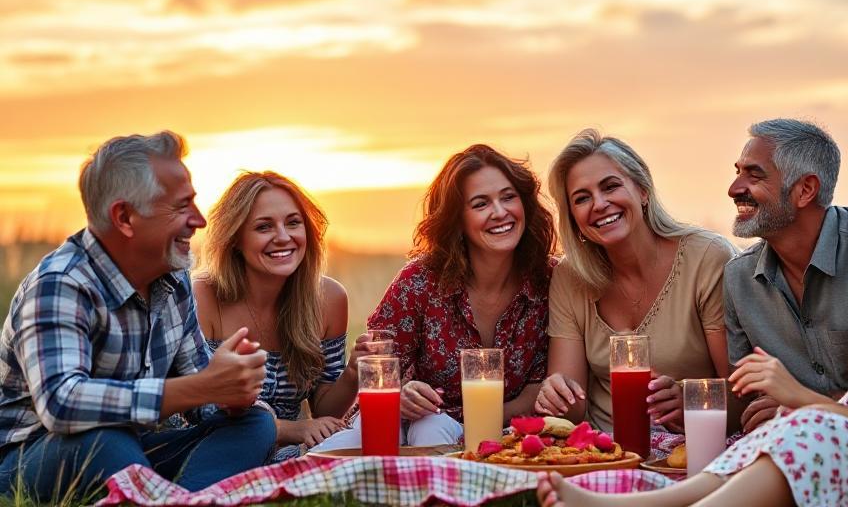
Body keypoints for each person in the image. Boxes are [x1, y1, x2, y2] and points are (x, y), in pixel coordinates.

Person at [538, 178, 848, 506]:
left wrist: (801, 398)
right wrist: (804, 408)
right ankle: (643, 504)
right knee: (803, 422)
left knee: (812, 425)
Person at [0, 132, 275, 502]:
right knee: (103, 440)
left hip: (135, 449)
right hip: (34, 459)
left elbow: (200, 391)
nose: (199, 220)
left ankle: (181, 499)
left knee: (256, 423)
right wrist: (203, 387)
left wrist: (231, 394)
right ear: (125, 217)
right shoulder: (61, 284)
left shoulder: (173, 278)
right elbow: (62, 404)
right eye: (181, 208)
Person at [314, 144, 555, 450]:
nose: (500, 212)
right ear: (457, 220)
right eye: (481, 204)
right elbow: (379, 370)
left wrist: (473, 424)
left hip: (504, 429)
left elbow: (538, 390)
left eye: (508, 197)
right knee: (424, 426)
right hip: (406, 425)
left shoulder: (547, 280)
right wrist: (403, 393)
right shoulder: (419, 280)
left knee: (435, 427)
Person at [536, 129, 735, 436]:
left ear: (643, 190)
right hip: (604, 450)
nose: (599, 204)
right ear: (573, 217)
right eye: (582, 198)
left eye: (610, 186)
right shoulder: (569, 276)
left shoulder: (706, 258)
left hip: (692, 444)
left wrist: (689, 401)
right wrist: (557, 393)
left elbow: (741, 396)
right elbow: (572, 410)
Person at [195, 171, 361, 462]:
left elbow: (324, 412)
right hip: (215, 450)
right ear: (235, 238)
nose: (283, 237)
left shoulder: (329, 299)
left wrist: (352, 373)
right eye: (264, 227)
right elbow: (200, 411)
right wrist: (293, 429)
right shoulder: (202, 296)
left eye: (293, 223)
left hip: (287, 456)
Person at [725, 119, 848, 432]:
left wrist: (800, 406)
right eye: (738, 172)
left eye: (754, 174)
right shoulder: (738, 278)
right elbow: (744, 396)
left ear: (805, 189)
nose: (734, 189)